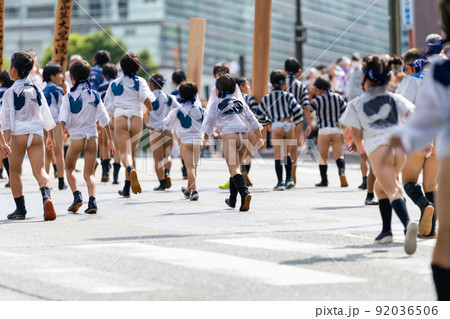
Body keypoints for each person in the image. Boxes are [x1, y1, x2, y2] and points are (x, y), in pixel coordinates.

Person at [340, 54, 417, 255]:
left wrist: (360, 147)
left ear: (365, 78)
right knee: (380, 188)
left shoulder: (356, 103)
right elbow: (413, 116)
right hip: (399, 147)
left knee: (392, 189)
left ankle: (408, 224)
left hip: (378, 148)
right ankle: (386, 231)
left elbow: (353, 132)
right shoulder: (396, 98)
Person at [1, 52, 57, 220]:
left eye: (11, 66)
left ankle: (20, 210)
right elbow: (46, 114)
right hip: (37, 133)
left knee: (15, 171)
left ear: (14, 71)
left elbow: (6, 121)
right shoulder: (36, 89)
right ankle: (47, 198)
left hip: (18, 134)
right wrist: (50, 136)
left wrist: (5, 141)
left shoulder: (9, 93)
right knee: (40, 170)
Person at [60, 59, 114, 214]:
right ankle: (92, 200)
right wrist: (110, 139)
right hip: (92, 139)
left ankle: (77, 195)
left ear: (71, 78)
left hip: (76, 138)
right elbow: (104, 121)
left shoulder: (68, 97)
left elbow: (63, 120)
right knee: (89, 174)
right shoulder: (95, 95)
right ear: (89, 77)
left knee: (69, 168)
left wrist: (65, 129)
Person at [202, 74, 263, 211]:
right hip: (244, 136)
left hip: (230, 137)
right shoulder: (240, 102)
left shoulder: (215, 104)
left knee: (233, 169)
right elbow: (252, 118)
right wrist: (259, 136)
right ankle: (232, 200)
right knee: (237, 168)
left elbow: (209, 121)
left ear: (219, 90)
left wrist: (205, 138)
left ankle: (245, 193)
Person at [396, 48, 437, 238]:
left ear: (410, 66)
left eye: (405, 69)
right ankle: (430, 231)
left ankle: (424, 205)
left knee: (408, 181)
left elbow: (400, 109)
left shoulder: (410, 81)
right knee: (430, 185)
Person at [104, 52, 155, 198]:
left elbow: (108, 107)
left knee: (124, 153)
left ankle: (130, 171)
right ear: (138, 66)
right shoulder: (140, 81)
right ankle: (127, 188)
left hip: (120, 115)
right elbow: (146, 99)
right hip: (136, 115)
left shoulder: (114, 83)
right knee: (132, 153)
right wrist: (149, 110)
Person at [256, 70, 303, 191]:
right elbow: (298, 111)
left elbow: (259, 115)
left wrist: (268, 122)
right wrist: (296, 122)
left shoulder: (267, 98)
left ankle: (280, 182)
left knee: (278, 156)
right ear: (284, 84)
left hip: (276, 125)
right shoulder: (288, 95)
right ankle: (289, 179)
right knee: (287, 154)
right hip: (288, 124)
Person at [164, 82, 204, 200]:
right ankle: (188, 190)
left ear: (181, 96)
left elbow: (166, 122)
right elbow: (209, 124)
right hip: (198, 140)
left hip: (186, 141)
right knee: (194, 167)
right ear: (195, 94)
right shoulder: (201, 110)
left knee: (189, 168)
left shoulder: (177, 111)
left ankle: (194, 191)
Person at [308, 77, 348, 187]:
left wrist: (310, 96)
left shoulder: (318, 100)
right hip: (337, 129)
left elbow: (308, 109)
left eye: (315, 89)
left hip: (323, 130)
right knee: (339, 155)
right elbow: (345, 112)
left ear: (320, 89)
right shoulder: (338, 97)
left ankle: (324, 180)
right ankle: (341, 172)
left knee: (323, 157)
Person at [144, 74, 179, 191]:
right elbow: (178, 109)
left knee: (158, 159)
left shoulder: (148, 98)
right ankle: (167, 173)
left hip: (155, 130)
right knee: (167, 156)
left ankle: (162, 183)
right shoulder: (170, 97)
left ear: (151, 84)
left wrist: (147, 123)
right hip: (168, 130)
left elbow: (145, 112)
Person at [284, 58, 312, 186]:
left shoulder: (280, 83)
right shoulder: (301, 86)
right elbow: (306, 106)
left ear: (284, 70)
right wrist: (309, 124)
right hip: (297, 119)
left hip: (282, 118)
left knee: (283, 146)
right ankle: (293, 171)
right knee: (293, 146)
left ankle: (286, 175)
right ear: (299, 71)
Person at [42, 62, 68, 190]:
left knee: (47, 153)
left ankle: (45, 182)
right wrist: (65, 125)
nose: (62, 76)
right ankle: (61, 182)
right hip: (55, 122)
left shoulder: (42, 90)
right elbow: (62, 108)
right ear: (52, 76)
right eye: (60, 74)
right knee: (59, 152)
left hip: (44, 123)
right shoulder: (58, 90)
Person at [97, 63, 120, 184]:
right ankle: (116, 177)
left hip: (105, 117)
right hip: (117, 115)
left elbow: (99, 104)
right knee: (117, 145)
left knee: (104, 143)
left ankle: (105, 172)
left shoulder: (101, 86)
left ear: (104, 75)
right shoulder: (118, 84)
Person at [235, 76, 257, 187]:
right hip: (249, 129)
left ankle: (241, 173)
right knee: (248, 155)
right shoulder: (250, 99)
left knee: (238, 156)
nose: (249, 87)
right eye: (247, 84)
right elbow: (255, 114)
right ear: (241, 87)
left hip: (236, 129)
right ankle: (245, 173)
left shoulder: (233, 99)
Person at [171, 69, 188, 180]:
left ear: (173, 82)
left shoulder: (172, 94)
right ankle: (189, 167)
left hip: (178, 123)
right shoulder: (191, 90)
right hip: (192, 121)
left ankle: (185, 167)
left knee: (182, 146)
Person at [0, 71, 14, 186]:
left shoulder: (1, 92)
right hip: (12, 123)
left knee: (3, 149)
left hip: (2, 122)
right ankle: (13, 176)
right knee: (10, 149)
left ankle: (9, 176)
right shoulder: (13, 91)